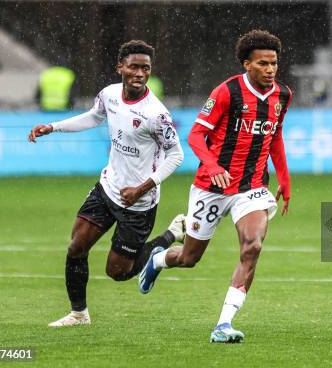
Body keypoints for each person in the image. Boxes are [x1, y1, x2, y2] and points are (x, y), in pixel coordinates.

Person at [138, 30, 292, 343]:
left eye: (274, 63)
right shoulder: (227, 92)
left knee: (253, 247)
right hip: (211, 187)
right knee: (189, 258)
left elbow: (274, 136)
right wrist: (213, 166)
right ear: (247, 65)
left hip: (251, 188)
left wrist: (285, 179)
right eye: (263, 63)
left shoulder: (282, 95)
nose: (270, 69)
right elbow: (195, 135)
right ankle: (157, 259)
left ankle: (223, 324)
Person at [27, 40, 185, 327]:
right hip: (108, 187)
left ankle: (170, 235)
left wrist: (142, 188)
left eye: (145, 68)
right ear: (120, 67)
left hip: (138, 202)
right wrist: (54, 127)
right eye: (134, 67)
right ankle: (78, 314)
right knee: (76, 247)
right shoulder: (110, 95)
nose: (139, 73)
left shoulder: (156, 114)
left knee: (118, 272)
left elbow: (176, 155)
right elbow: (93, 117)